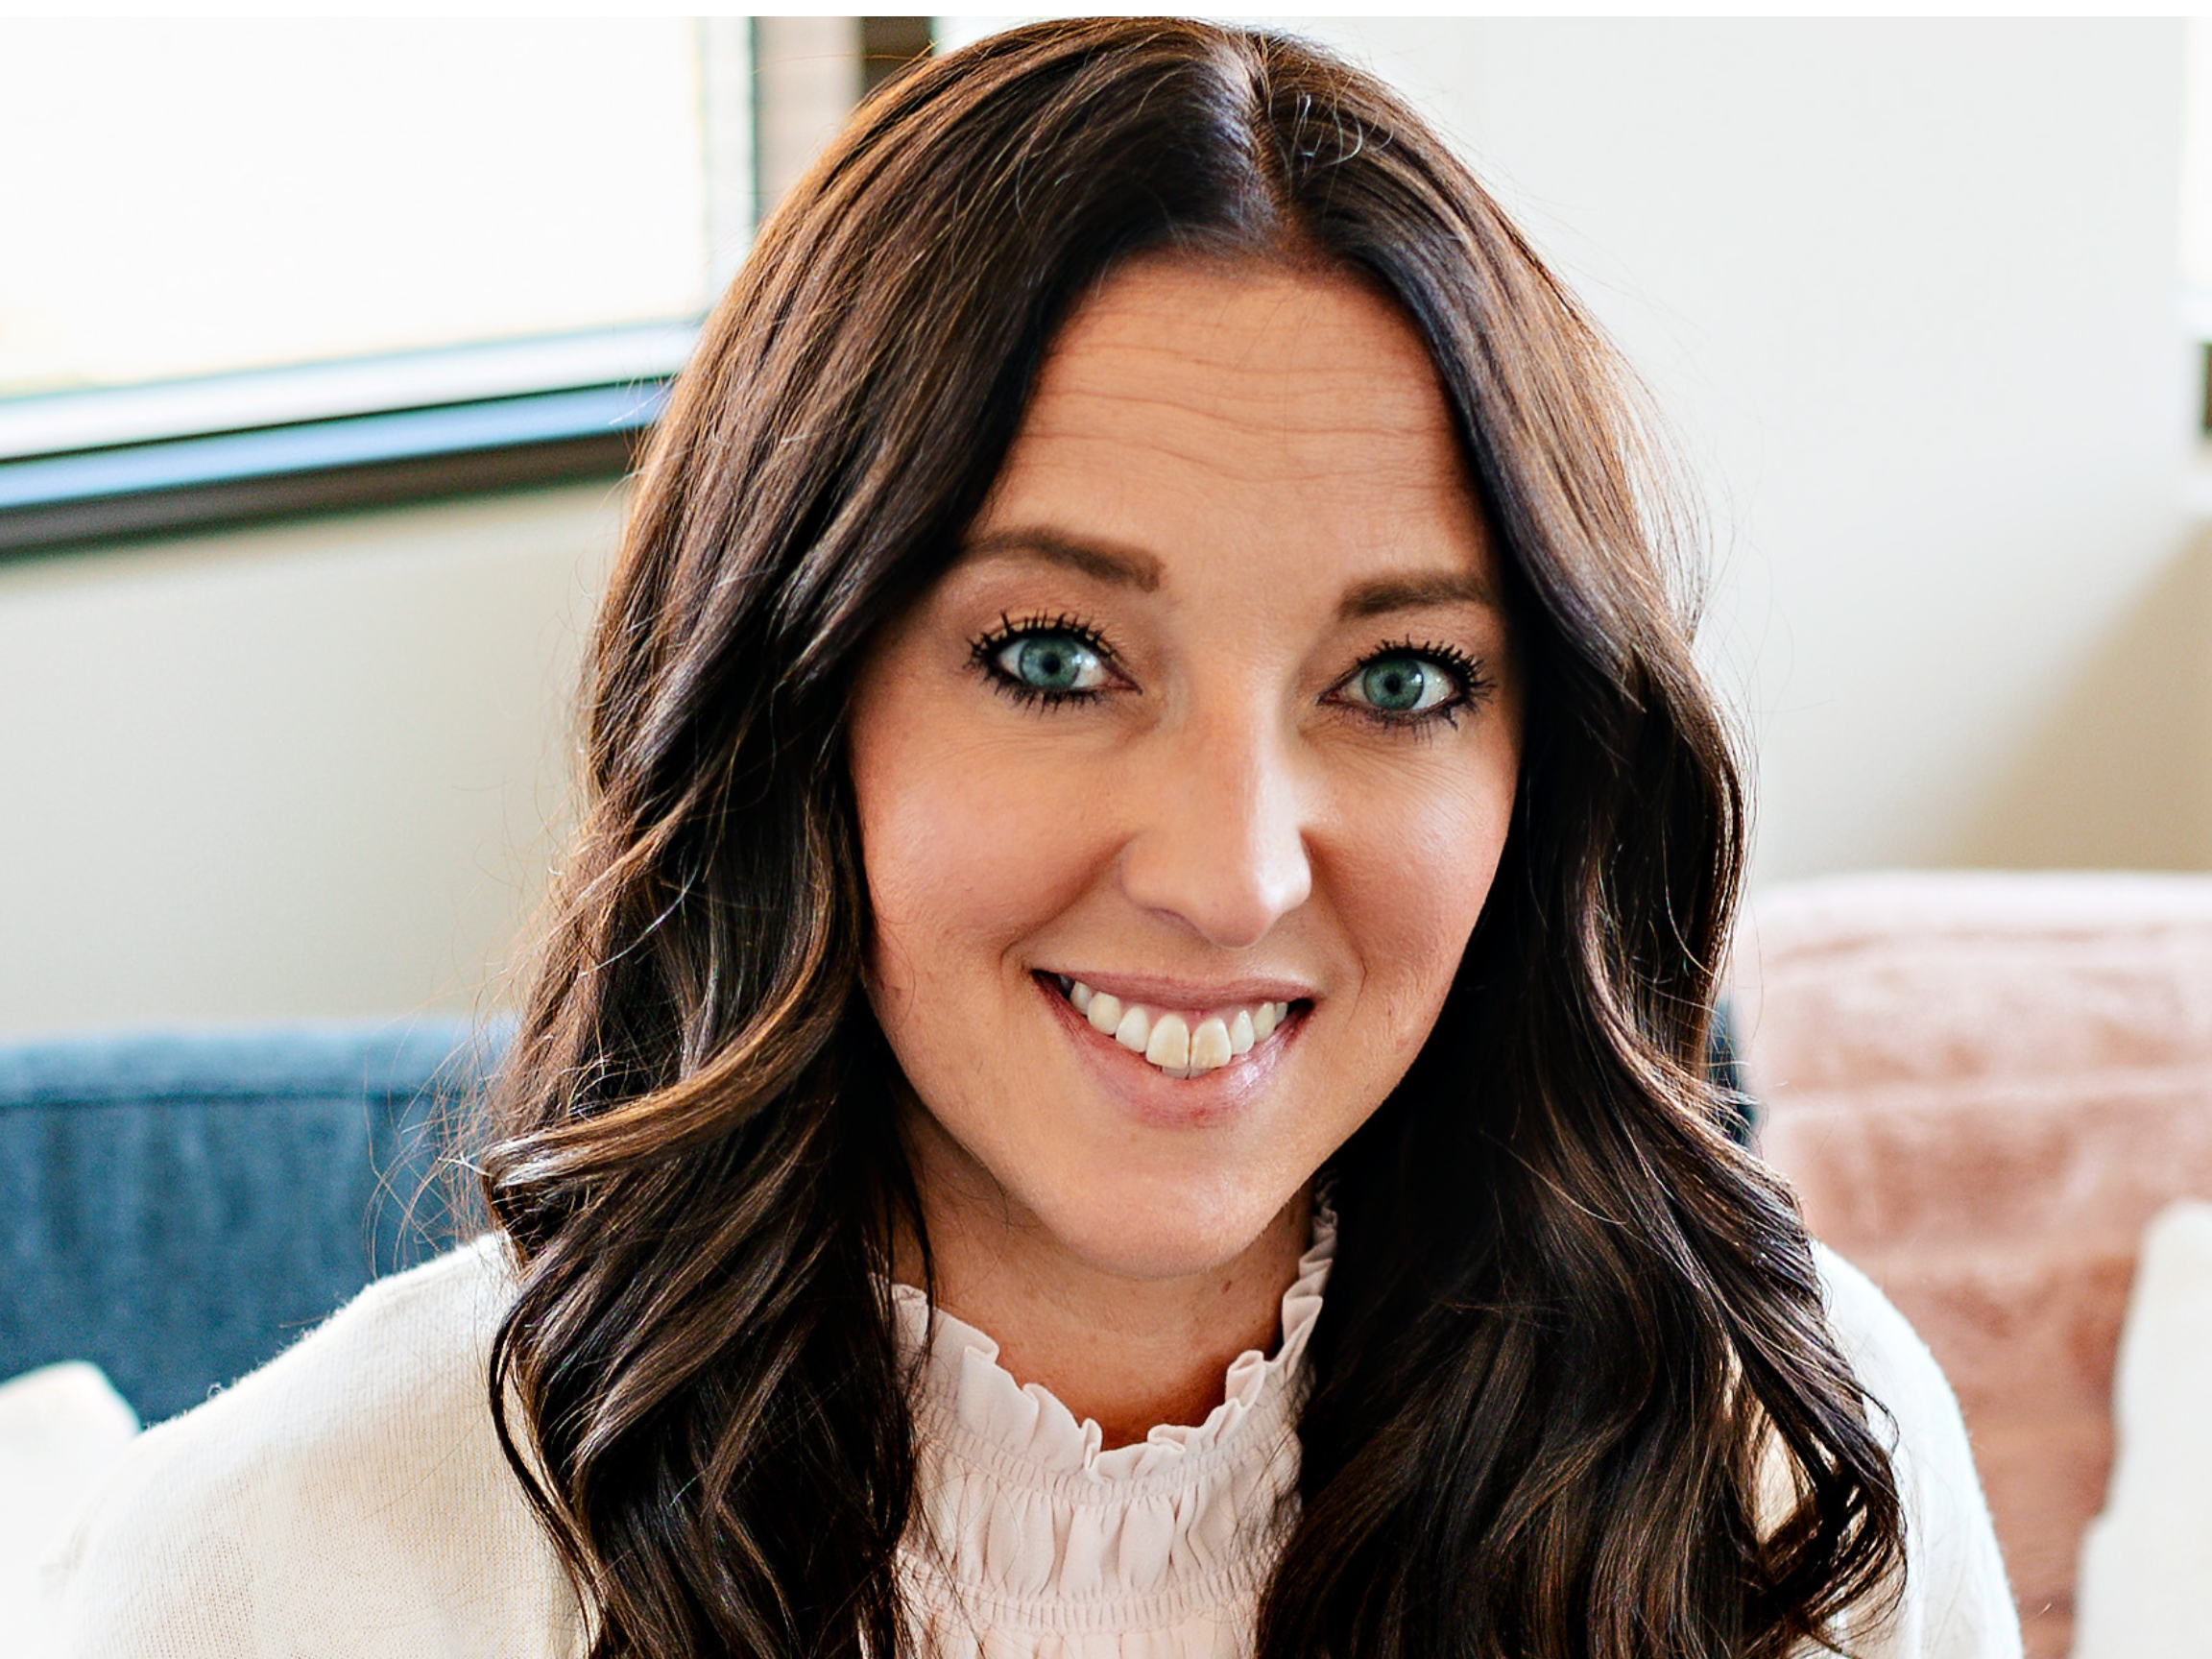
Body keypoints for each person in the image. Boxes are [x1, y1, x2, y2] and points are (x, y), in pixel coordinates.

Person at [51, 18, 2021, 1659]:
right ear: (792, 701)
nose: (1234, 870)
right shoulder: (287, 1567)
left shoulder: (1789, 1483)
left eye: (1405, 679)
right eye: (1058, 658)